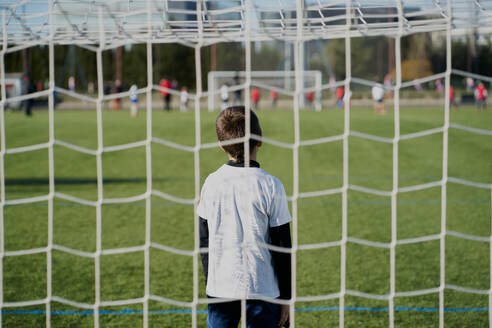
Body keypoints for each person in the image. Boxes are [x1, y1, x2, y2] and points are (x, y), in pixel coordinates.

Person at [198, 106, 292, 328]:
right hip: (262, 289)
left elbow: (204, 240)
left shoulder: (211, 183)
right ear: (259, 140)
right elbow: (283, 247)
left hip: (220, 290)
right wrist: (287, 298)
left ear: (221, 145)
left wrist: (210, 281)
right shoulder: (271, 185)